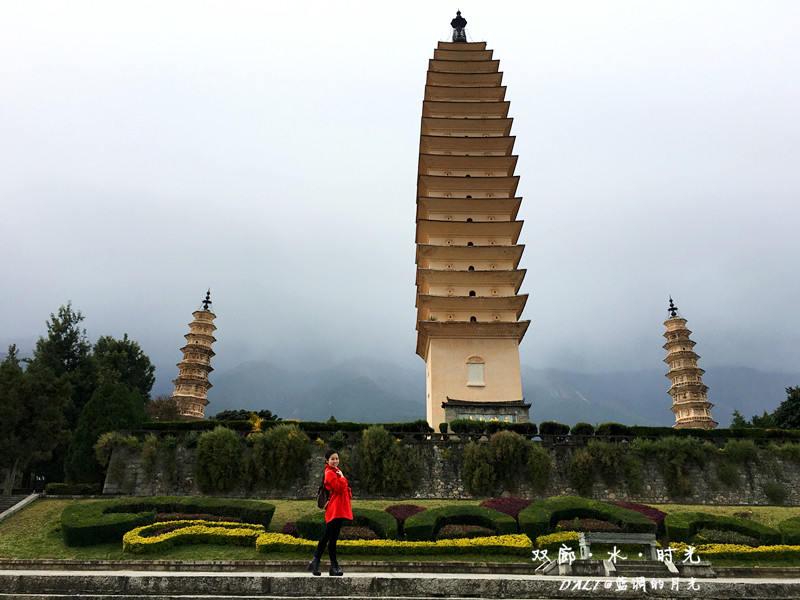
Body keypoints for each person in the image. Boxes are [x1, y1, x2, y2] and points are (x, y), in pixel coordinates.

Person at [307, 449, 352, 576]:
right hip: (336, 509)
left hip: (338, 508)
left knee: (328, 535)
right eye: (332, 459)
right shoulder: (330, 473)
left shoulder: (334, 471)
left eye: (337, 458)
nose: (335, 461)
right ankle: (334, 565)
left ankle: (315, 561)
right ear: (327, 460)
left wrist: (341, 476)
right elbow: (339, 487)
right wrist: (343, 478)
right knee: (332, 537)